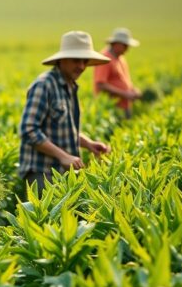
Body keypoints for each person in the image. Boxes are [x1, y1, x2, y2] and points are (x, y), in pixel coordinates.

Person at [18, 30, 112, 197]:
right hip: (43, 173)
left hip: (62, 174)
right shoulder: (44, 85)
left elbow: (62, 129)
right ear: (62, 60)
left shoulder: (70, 86)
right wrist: (63, 156)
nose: (81, 67)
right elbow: (28, 130)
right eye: (76, 60)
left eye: (84, 61)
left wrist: (89, 144)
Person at [93, 27, 142, 119]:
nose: (127, 48)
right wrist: (125, 94)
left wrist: (132, 90)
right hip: (111, 110)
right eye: (125, 45)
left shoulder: (120, 58)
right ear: (116, 44)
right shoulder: (104, 59)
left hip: (124, 106)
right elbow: (100, 84)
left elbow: (123, 79)